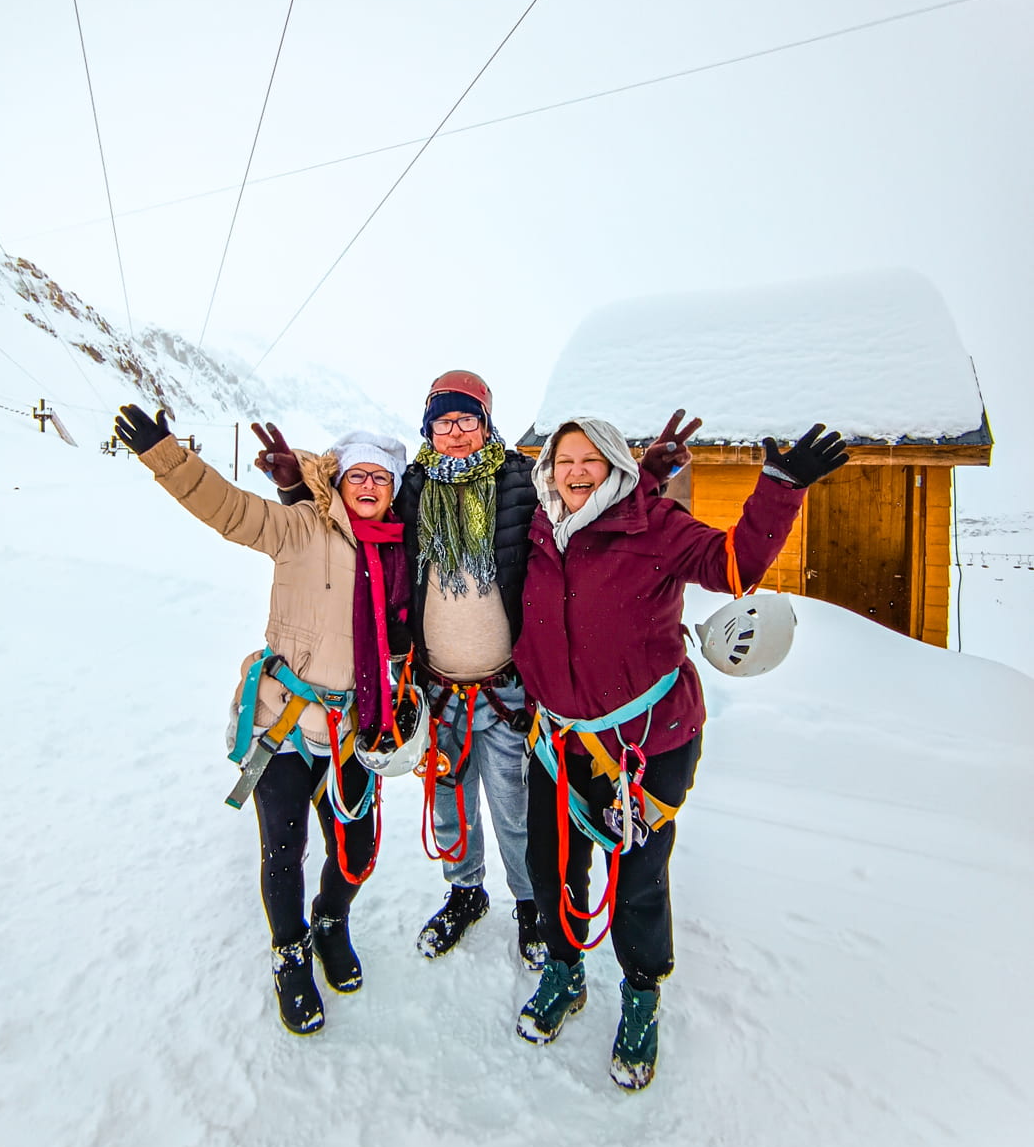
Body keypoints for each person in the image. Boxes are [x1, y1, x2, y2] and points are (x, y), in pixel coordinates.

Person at [512, 416, 849, 1090]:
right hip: (557, 742)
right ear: (547, 470)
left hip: (644, 745)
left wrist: (781, 488)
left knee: (637, 879)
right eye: (563, 460)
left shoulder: (654, 526)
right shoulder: (537, 531)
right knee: (548, 865)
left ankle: (639, 996)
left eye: (590, 460)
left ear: (614, 466)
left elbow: (734, 566)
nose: (574, 472)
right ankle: (563, 970)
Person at [113, 405, 409, 1035]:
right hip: (284, 724)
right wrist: (167, 455)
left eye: (378, 479)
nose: (366, 487)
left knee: (355, 852)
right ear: (338, 480)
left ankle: (331, 919)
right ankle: (290, 952)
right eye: (356, 476)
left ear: (392, 488)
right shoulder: (301, 527)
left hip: (355, 731)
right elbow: (230, 511)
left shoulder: (400, 554)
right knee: (284, 848)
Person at [392, 371, 544, 965]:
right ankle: (466, 890)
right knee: (449, 797)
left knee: (513, 800)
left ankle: (529, 903)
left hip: (504, 687)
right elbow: (357, 519)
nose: (455, 433)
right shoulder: (411, 487)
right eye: (443, 422)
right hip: (437, 690)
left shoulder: (521, 482)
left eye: (467, 420)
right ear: (428, 427)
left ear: (486, 423)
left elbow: (580, 514)